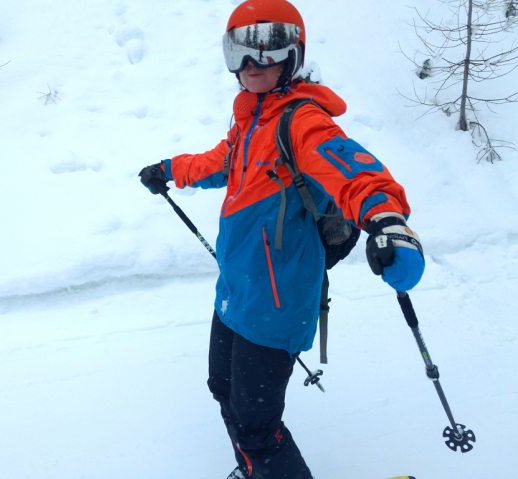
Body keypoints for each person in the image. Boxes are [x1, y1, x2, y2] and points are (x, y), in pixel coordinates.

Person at [139, 1, 425, 478]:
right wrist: (171, 170)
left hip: (277, 299)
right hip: (236, 288)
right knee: (223, 387)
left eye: (267, 51)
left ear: (292, 54)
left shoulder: (302, 121)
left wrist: (387, 223)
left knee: (257, 427)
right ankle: (255, 471)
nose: (252, 66)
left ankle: (262, 463)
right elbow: (222, 161)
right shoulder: (251, 119)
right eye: (240, 53)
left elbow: (356, 172)